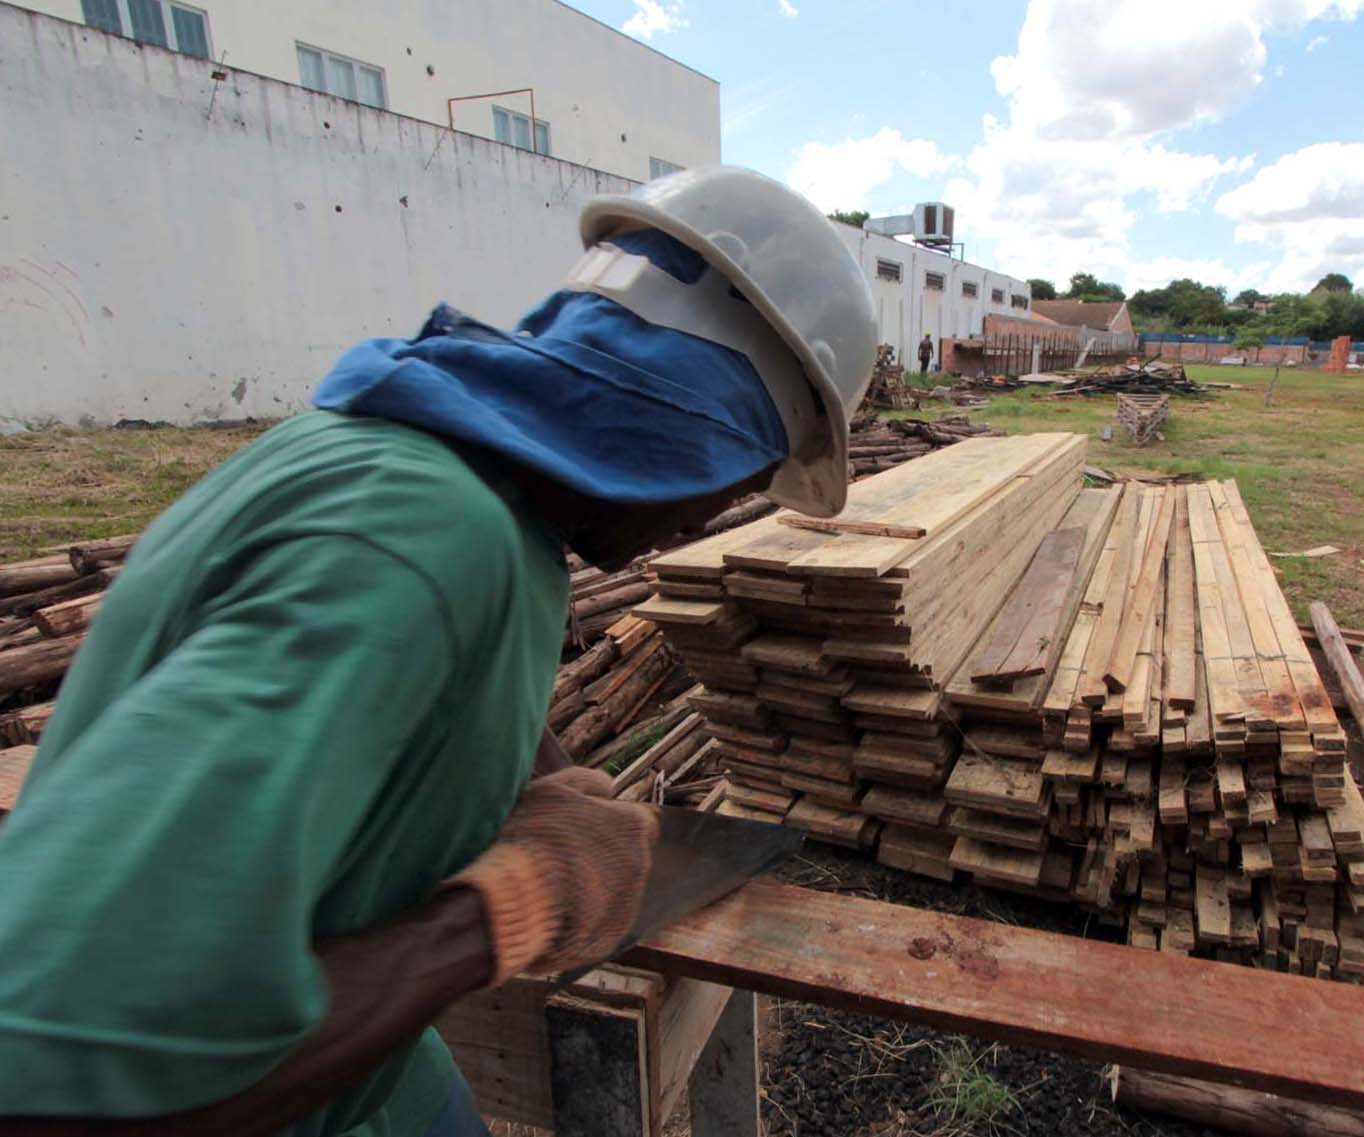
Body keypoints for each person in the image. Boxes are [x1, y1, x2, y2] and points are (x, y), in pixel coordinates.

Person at [0, 167, 878, 1137]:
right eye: (745, 476)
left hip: (351, 1048)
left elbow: (394, 678)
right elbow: (55, 1090)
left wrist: (544, 780)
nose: (710, 516)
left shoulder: (412, 470)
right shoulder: (416, 540)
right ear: (706, 430)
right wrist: (505, 909)